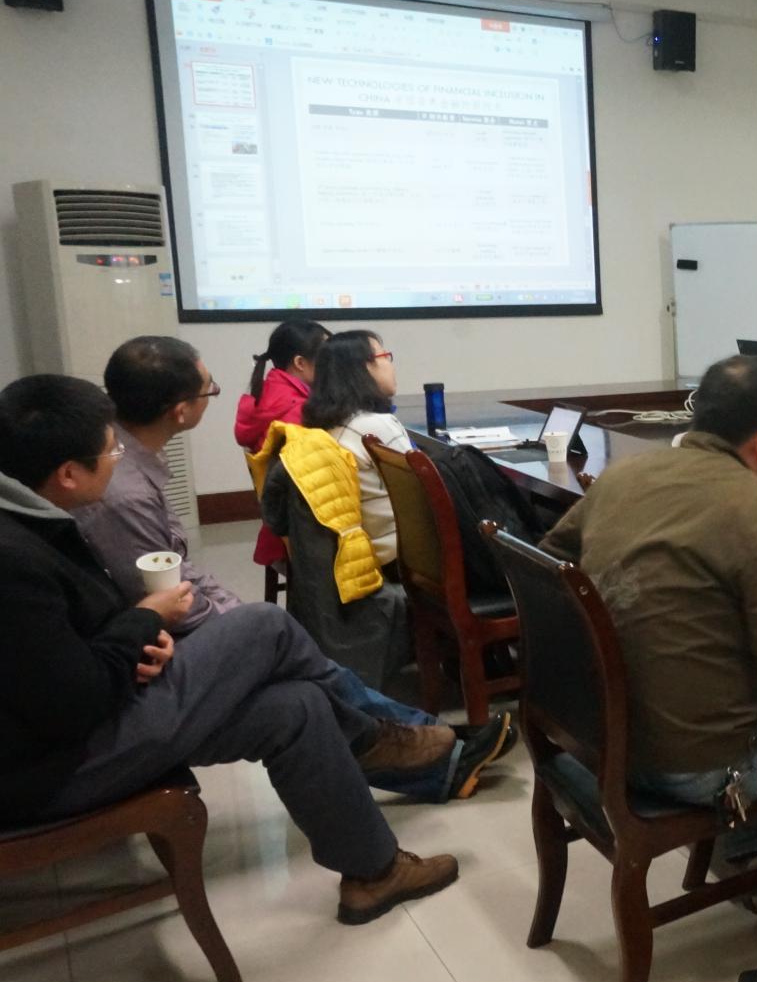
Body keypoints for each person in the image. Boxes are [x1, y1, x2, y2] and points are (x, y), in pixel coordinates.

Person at [0, 374, 460, 924]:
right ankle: (371, 739)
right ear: (68, 474)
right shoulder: (13, 560)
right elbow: (72, 704)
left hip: (74, 730)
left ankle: (374, 874)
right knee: (266, 626)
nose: (118, 461)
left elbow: (56, 660)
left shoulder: (31, 521)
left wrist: (134, 636)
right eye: (110, 452)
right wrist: (145, 620)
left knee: (296, 708)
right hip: (51, 770)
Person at [541, 355, 757, 929]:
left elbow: (551, 561)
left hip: (602, 735)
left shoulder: (624, 479)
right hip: (697, 763)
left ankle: (756, 843)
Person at [73, 336, 508, 802]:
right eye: (210, 389)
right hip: (152, 648)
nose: (214, 396)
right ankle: (438, 745)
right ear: (181, 411)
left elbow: (179, 573)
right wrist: (242, 626)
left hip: (152, 632)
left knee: (297, 674)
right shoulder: (125, 492)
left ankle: (438, 752)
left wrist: (239, 616)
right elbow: (168, 594)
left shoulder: (131, 468)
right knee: (291, 663)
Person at [302, 330, 411, 565]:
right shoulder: (375, 426)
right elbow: (424, 495)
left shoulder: (327, 425)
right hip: (405, 555)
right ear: (363, 368)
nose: (390, 364)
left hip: (368, 549)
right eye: (384, 356)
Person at [234, 319, 331, 571]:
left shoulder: (270, 393)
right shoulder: (298, 413)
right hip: (301, 541)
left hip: (279, 532)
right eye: (328, 357)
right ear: (300, 363)